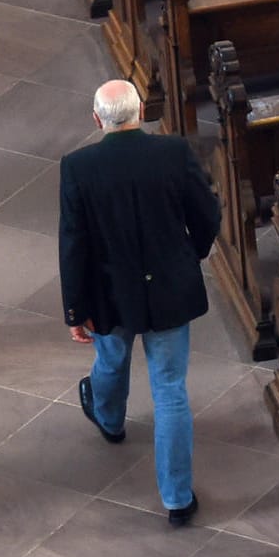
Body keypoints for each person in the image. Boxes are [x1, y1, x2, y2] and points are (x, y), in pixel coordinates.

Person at [59, 80, 221, 526]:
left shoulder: (78, 167)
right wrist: (192, 255)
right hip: (169, 288)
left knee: (110, 362)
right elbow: (207, 214)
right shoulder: (172, 153)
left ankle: (110, 421)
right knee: (170, 390)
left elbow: (73, 243)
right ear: (140, 114)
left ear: (97, 120)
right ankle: (177, 499)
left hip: (110, 294)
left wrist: (75, 308)